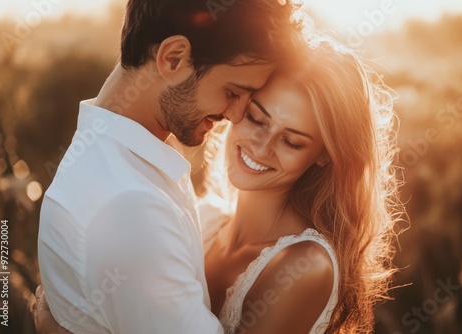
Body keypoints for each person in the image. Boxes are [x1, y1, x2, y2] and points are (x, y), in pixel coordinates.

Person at [35, 36, 401, 333]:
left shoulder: (304, 267)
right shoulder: (206, 219)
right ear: (235, 104)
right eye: (257, 118)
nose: (262, 146)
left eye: (292, 141)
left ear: (323, 155)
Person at [36, 0, 301, 333]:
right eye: (232, 91)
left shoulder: (122, 157)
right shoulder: (130, 205)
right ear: (173, 57)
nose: (235, 115)